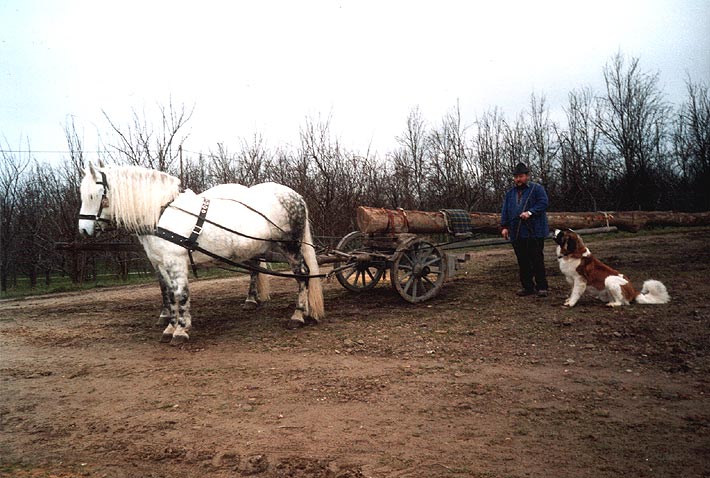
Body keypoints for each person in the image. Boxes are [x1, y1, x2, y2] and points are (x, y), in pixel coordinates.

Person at [500, 162, 549, 297]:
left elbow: (543, 203)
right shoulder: (510, 193)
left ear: (527, 176)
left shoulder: (537, 189)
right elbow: (505, 210)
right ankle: (528, 287)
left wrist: (530, 212)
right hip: (517, 232)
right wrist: (504, 226)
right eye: (516, 177)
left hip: (534, 232)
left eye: (520, 176)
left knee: (537, 260)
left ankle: (542, 287)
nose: (518, 179)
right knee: (523, 261)